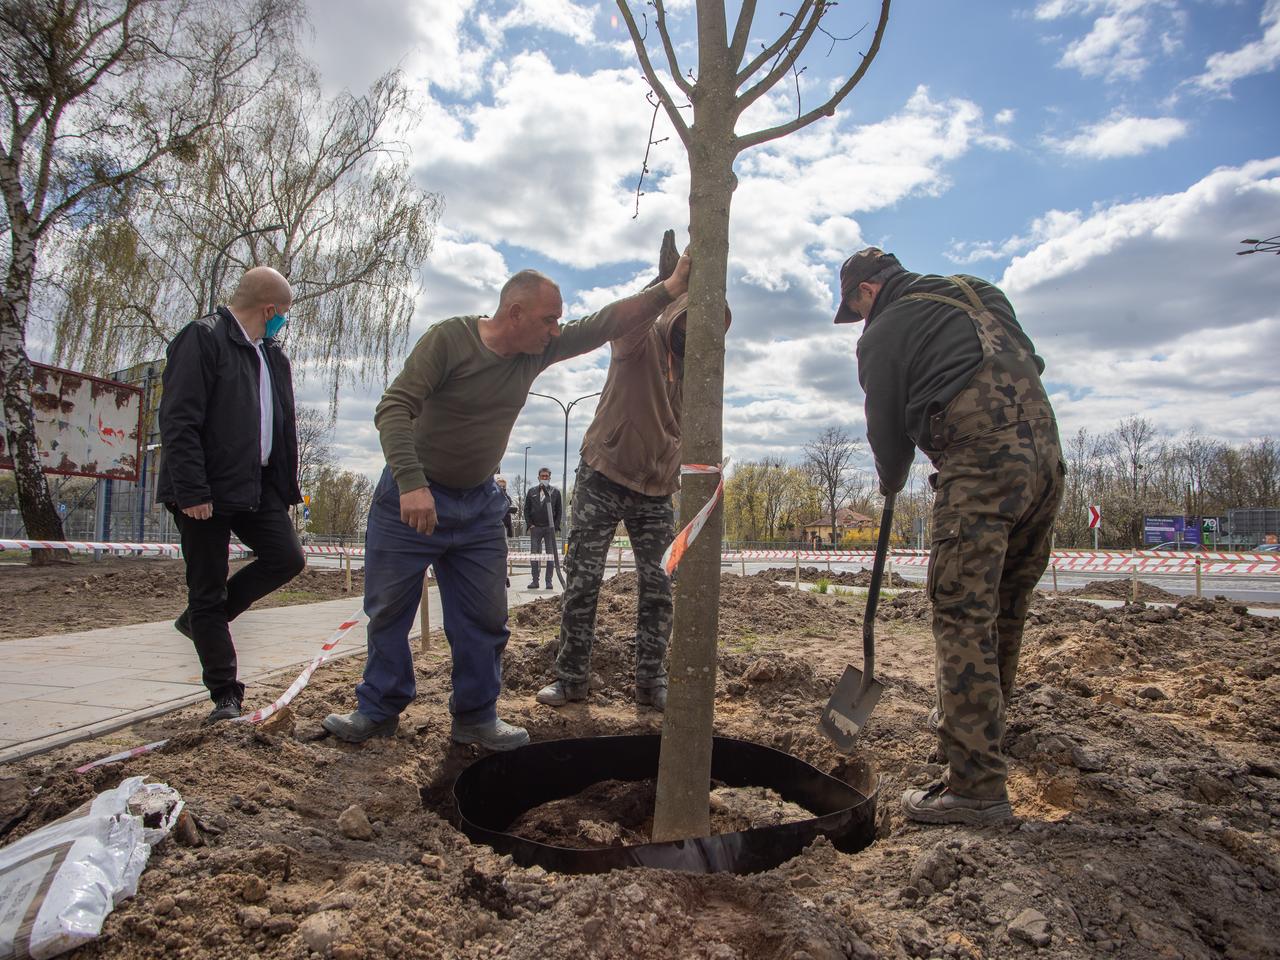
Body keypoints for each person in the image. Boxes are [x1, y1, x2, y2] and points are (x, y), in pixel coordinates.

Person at [322, 256, 691, 748]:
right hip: (411, 500)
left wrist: (668, 289)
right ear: (514, 314)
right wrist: (412, 483)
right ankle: (378, 710)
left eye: (558, 320)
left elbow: (602, 323)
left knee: (485, 618)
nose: (556, 329)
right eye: (548, 319)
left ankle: (475, 718)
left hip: (477, 507)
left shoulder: (535, 352)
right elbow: (394, 406)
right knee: (389, 611)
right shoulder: (449, 340)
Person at [834, 246, 1064, 825]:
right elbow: (1027, 361)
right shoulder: (979, 291)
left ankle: (976, 786)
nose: (860, 320)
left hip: (981, 464)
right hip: (1045, 462)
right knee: (1004, 608)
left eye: (856, 308)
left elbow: (885, 424)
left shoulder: (884, 329)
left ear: (866, 292)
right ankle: (980, 743)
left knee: (962, 613)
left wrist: (889, 480)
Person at [535, 292, 730, 713]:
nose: (690, 335)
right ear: (675, 318)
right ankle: (570, 679)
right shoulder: (640, 340)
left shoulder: (701, 371)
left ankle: (650, 682)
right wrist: (668, 284)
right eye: (685, 325)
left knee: (660, 586)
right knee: (583, 583)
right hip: (602, 474)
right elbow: (628, 319)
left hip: (657, 489)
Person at [156, 266, 306, 724]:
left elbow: (279, 424)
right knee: (207, 587)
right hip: (206, 487)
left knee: (287, 557)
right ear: (269, 309)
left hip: (257, 484)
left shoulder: (271, 355)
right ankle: (225, 695)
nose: (283, 322)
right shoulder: (202, 339)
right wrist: (192, 490)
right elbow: (179, 421)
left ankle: (202, 621)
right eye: (283, 314)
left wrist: (283, 487)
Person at [523, 467, 561, 589]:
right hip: (536, 528)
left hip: (549, 529)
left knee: (550, 555)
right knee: (534, 555)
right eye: (542, 476)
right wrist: (530, 525)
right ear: (538, 477)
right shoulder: (531, 491)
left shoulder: (555, 492)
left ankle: (548, 581)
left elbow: (559, 511)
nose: (544, 478)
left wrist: (554, 527)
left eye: (546, 476)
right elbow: (526, 509)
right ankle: (535, 581)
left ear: (550, 477)